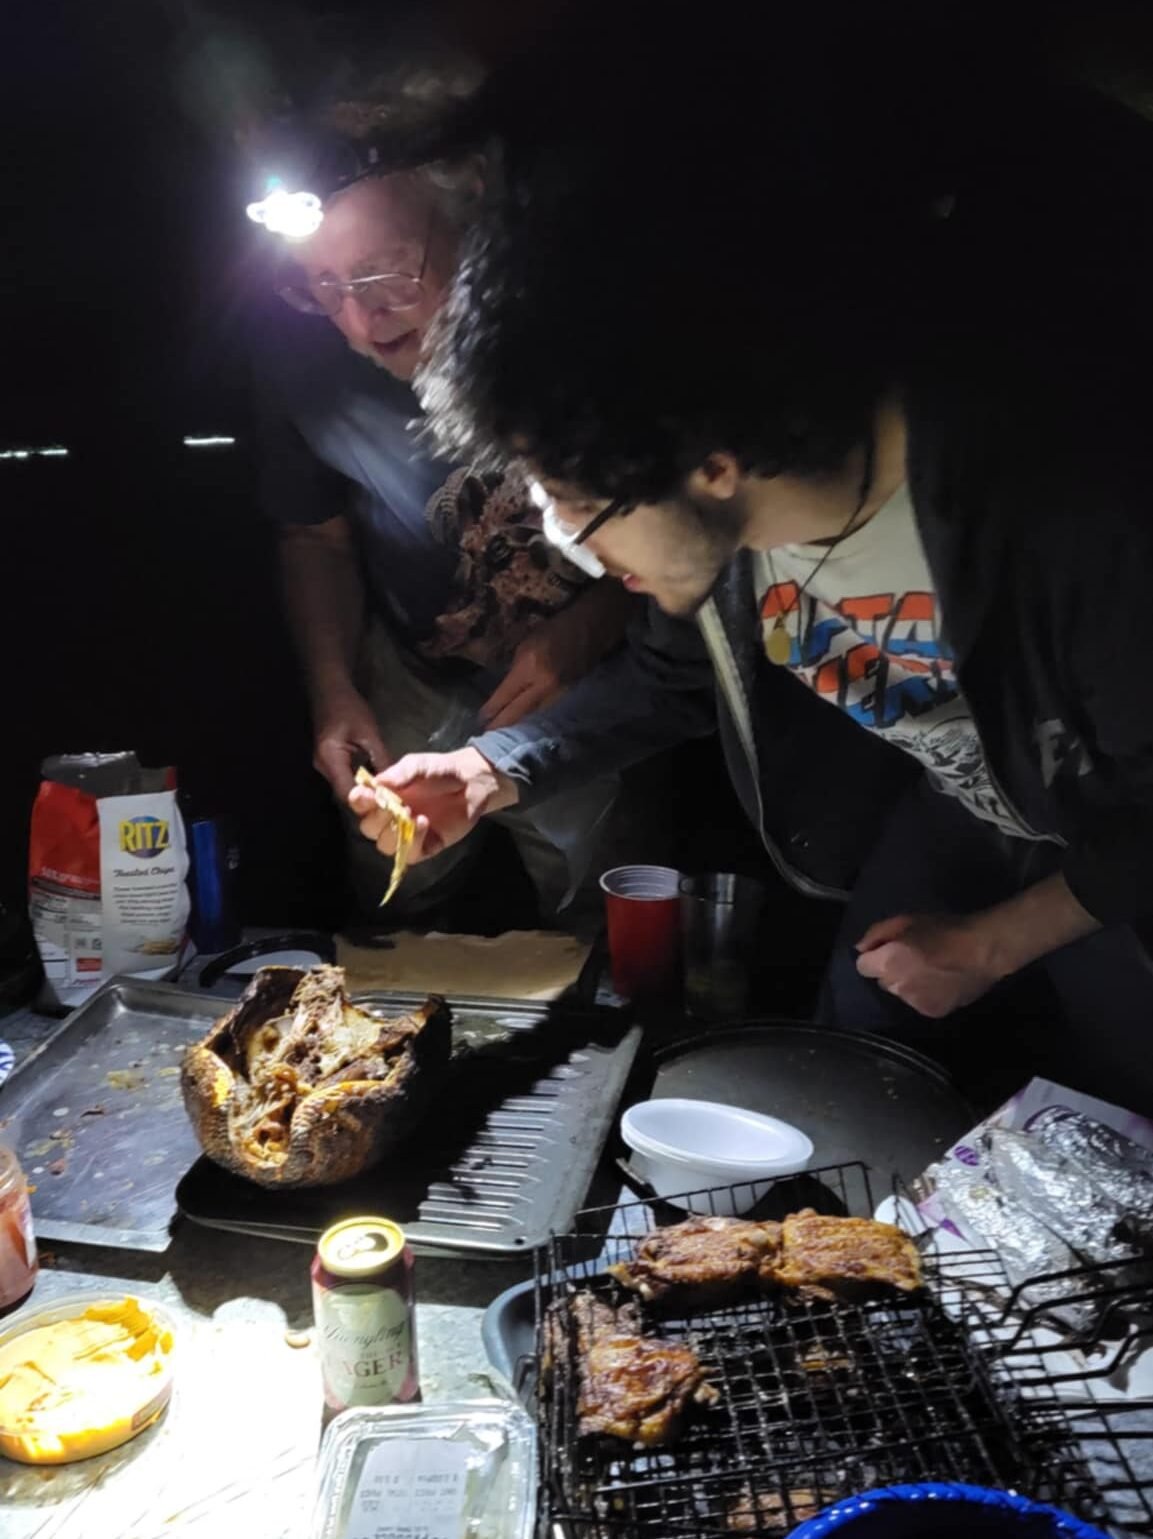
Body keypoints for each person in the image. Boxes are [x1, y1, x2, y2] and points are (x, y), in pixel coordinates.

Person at [350, 11, 1153, 1111]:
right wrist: (496, 769)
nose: (562, 539)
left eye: (580, 499)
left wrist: (997, 942)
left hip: (1115, 831)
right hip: (969, 799)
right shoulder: (725, 525)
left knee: (1122, 1107)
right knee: (848, 1059)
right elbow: (678, 678)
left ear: (713, 461)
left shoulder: (1069, 509)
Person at [246, 70, 631, 927]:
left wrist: (593, 624)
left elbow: (700, 540)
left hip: (596, 676)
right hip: (412, 666)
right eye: (319, 285)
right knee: (393, 899)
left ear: (470, 219)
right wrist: (333, 688)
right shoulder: (296, 347)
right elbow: (314, 534)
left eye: (384, 276)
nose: (357, 324)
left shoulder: (567, 313)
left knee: (598, 912)